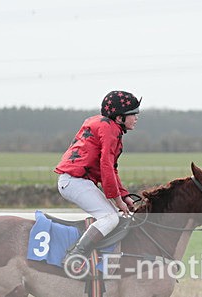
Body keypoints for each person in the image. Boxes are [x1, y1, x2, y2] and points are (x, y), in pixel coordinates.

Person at [54, 90, 141, 273]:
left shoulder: (106, 125)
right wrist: (117, 200)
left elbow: (111, 169)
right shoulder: (110, 131)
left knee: (112, 216)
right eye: (133, 114)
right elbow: (106, 168)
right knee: (110, 217)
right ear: (119, 118)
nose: (136, 118)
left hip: (77, 180)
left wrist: (124, 196)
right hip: (75, 181)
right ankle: (75, 256)